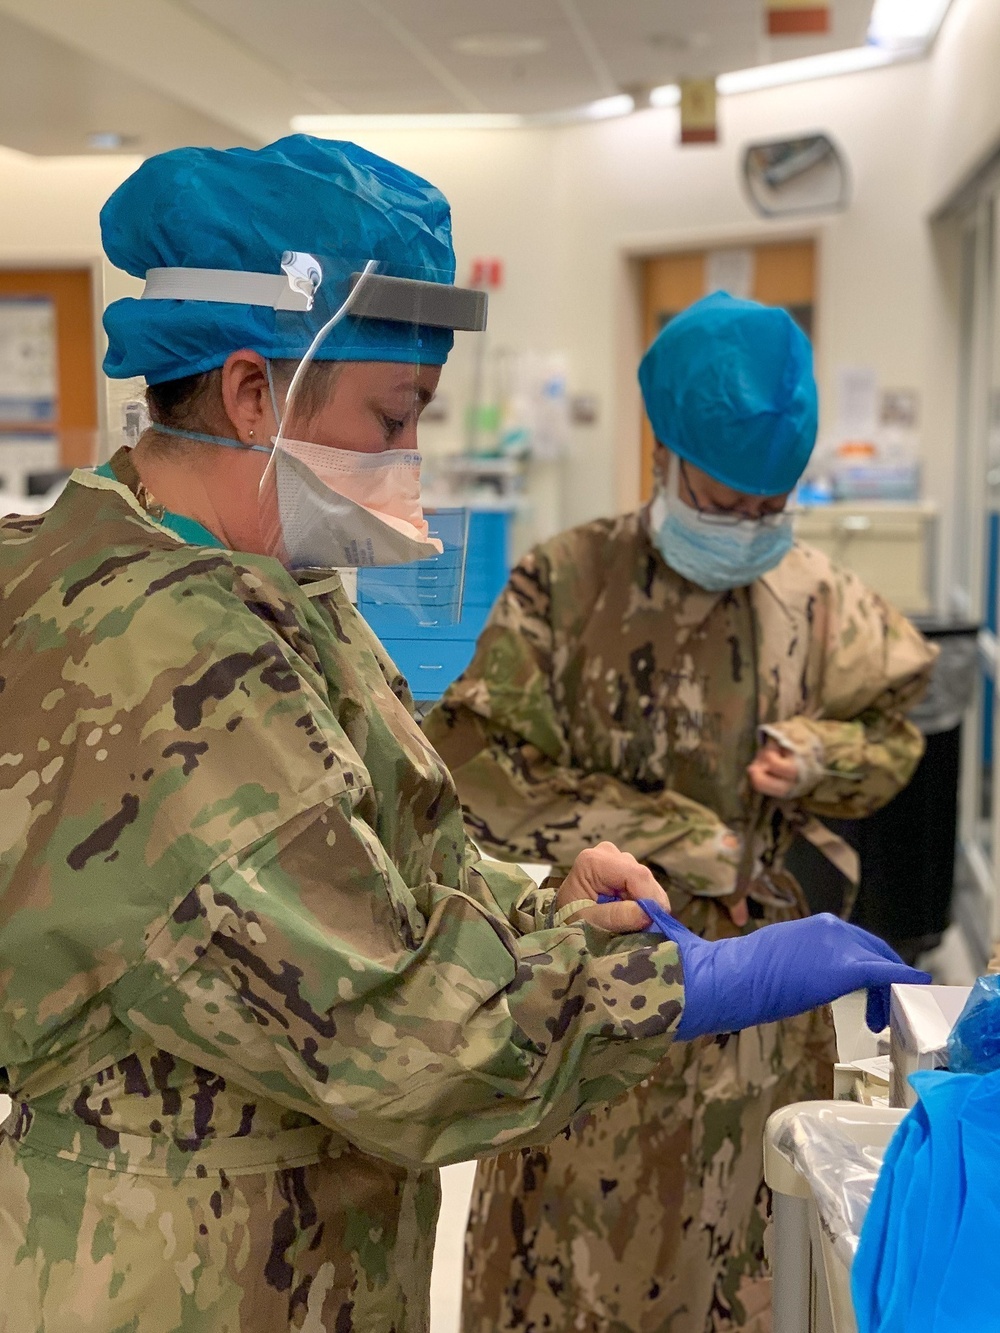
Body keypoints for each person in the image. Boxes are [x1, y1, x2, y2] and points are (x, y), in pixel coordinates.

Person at [0, 145, 927, 1333]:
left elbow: (368, 856)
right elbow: (397, 1028)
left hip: (292, 1242)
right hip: (182, 1272)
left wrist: (538, 896)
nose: (410, 461)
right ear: (250, 394)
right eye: (394, 417)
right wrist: (688, 982)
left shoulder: (262, 585)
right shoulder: (160, 653)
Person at [423, 292, 939, 1333]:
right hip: (603, 1003)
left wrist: (820, 760)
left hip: (763, 1012)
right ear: (668, 451)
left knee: (754, 1263)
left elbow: (895, 734)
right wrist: (677, 835)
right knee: (578, 1277)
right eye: (727, 497)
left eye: (770, 506)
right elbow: (475, 766)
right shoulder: (567, 585)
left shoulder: (822, 596)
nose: (750, 525)